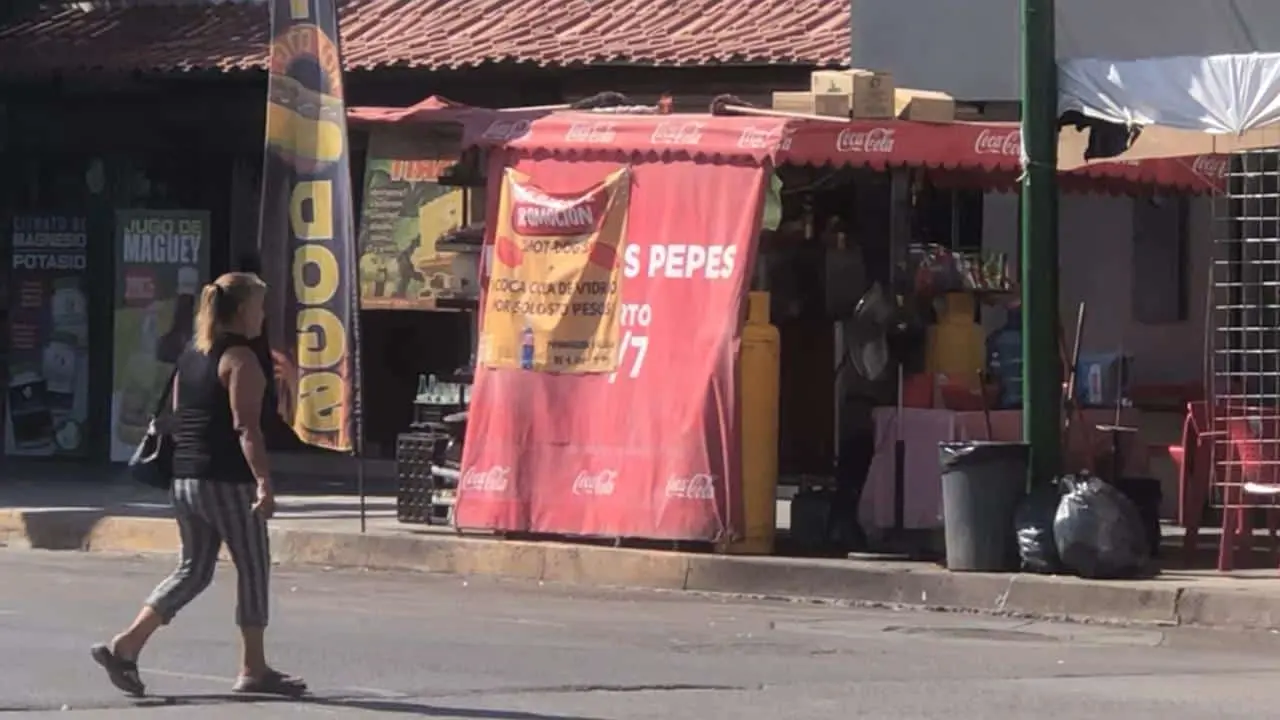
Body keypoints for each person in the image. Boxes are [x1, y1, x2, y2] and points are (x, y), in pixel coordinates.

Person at [91, 272, 305, 698]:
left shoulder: (193, 353)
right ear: (242, 309)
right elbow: (248, 428)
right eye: (260, 307)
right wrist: (264, 482)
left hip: (185, 480)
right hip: (226, 482)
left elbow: (177, 416)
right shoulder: (241, 358)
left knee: (194, 569)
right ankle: (253, 668)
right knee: (254, 567)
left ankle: (127, 645)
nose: (263, 316)